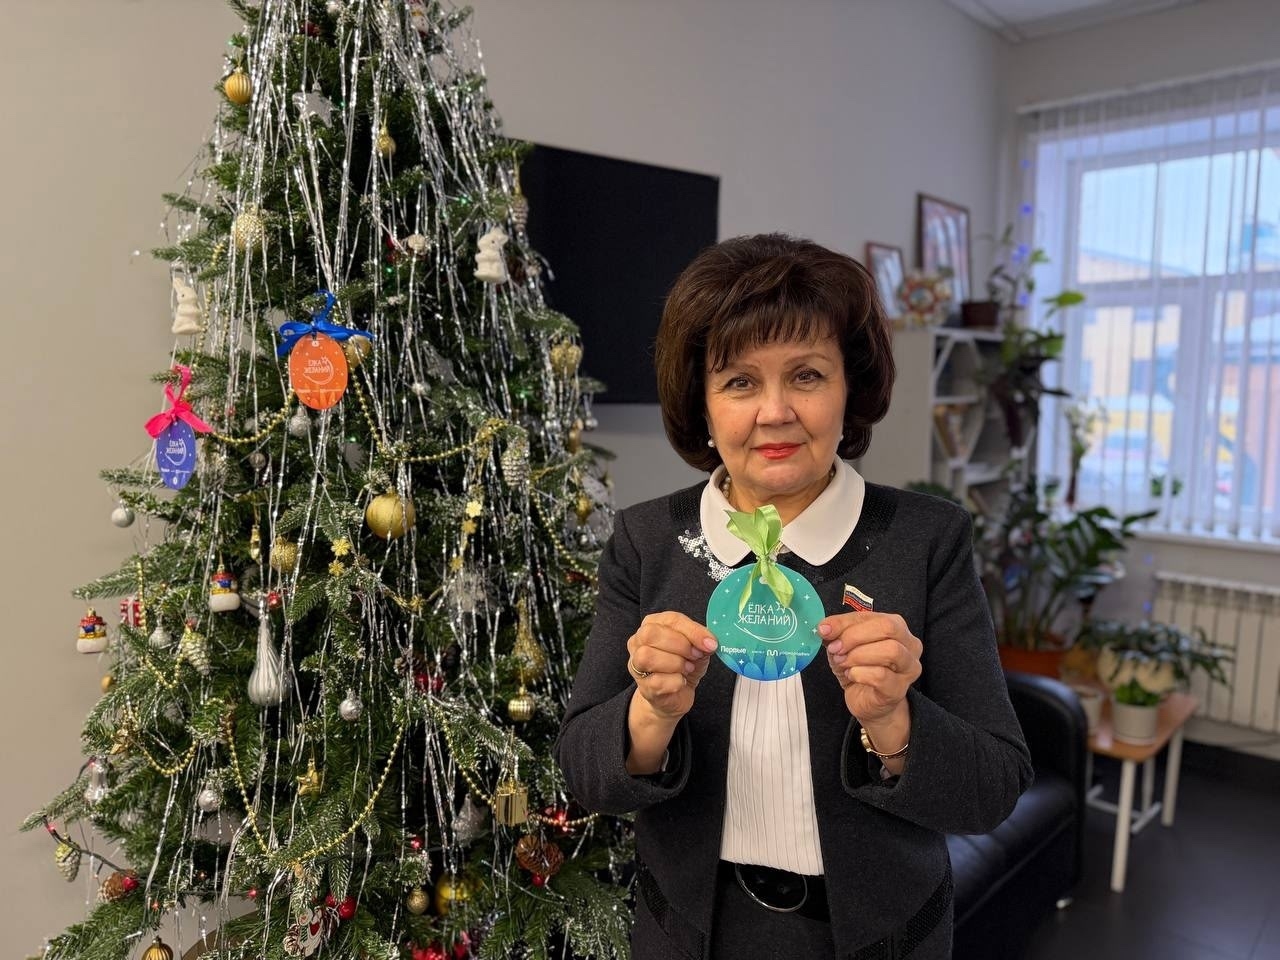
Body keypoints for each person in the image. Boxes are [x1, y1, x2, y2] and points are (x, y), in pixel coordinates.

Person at [555, 234, 1032, 960]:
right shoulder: (648, 542)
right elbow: (584, 774)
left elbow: (993, 788)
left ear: (850, 389)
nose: (775, 411)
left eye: (806, 375)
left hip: (880, 939)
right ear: (702, 402)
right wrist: (650, 713)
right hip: (687, 934)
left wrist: (894, 720)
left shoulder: (927, 540)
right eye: (739, 382)